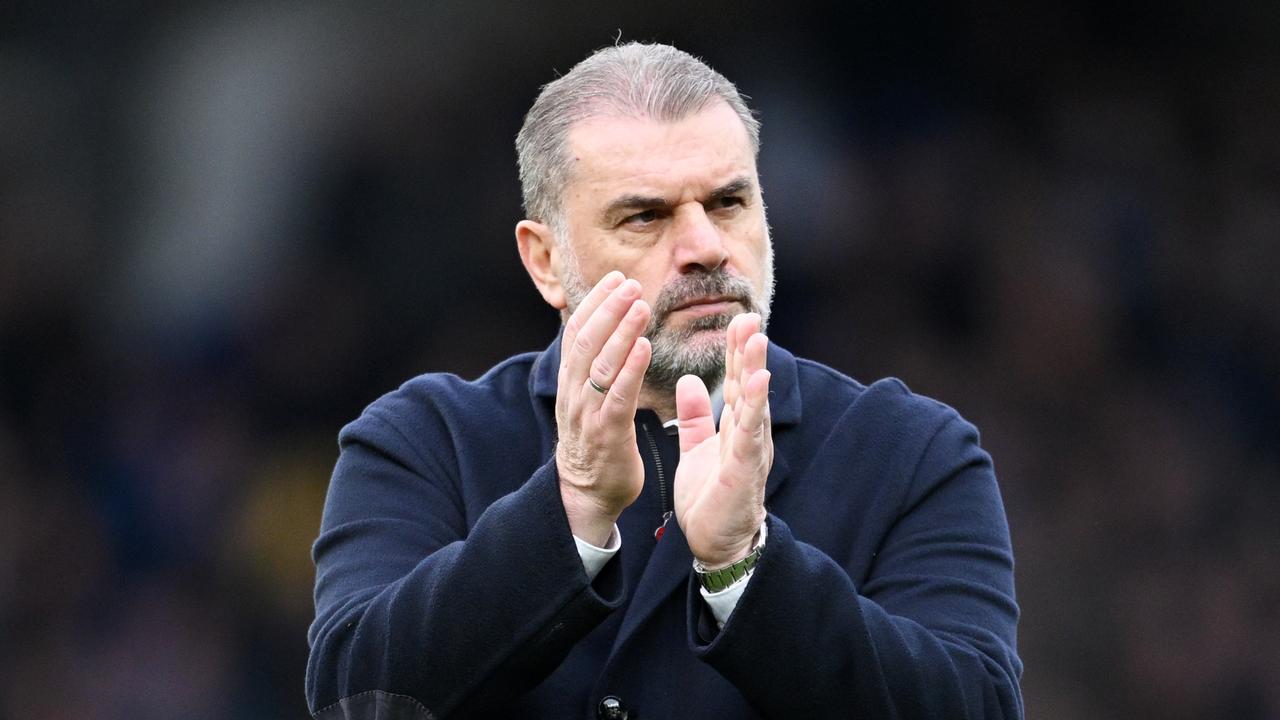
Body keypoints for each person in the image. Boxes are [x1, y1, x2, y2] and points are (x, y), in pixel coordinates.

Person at [306, 42, 1022, 719]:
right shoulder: (424, 442)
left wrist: (745, 566)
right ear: (546, 261)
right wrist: (571, 509)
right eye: (645, 216)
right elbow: (355, 701)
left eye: (728, 203)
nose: (706, 246)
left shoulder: (911, 453)